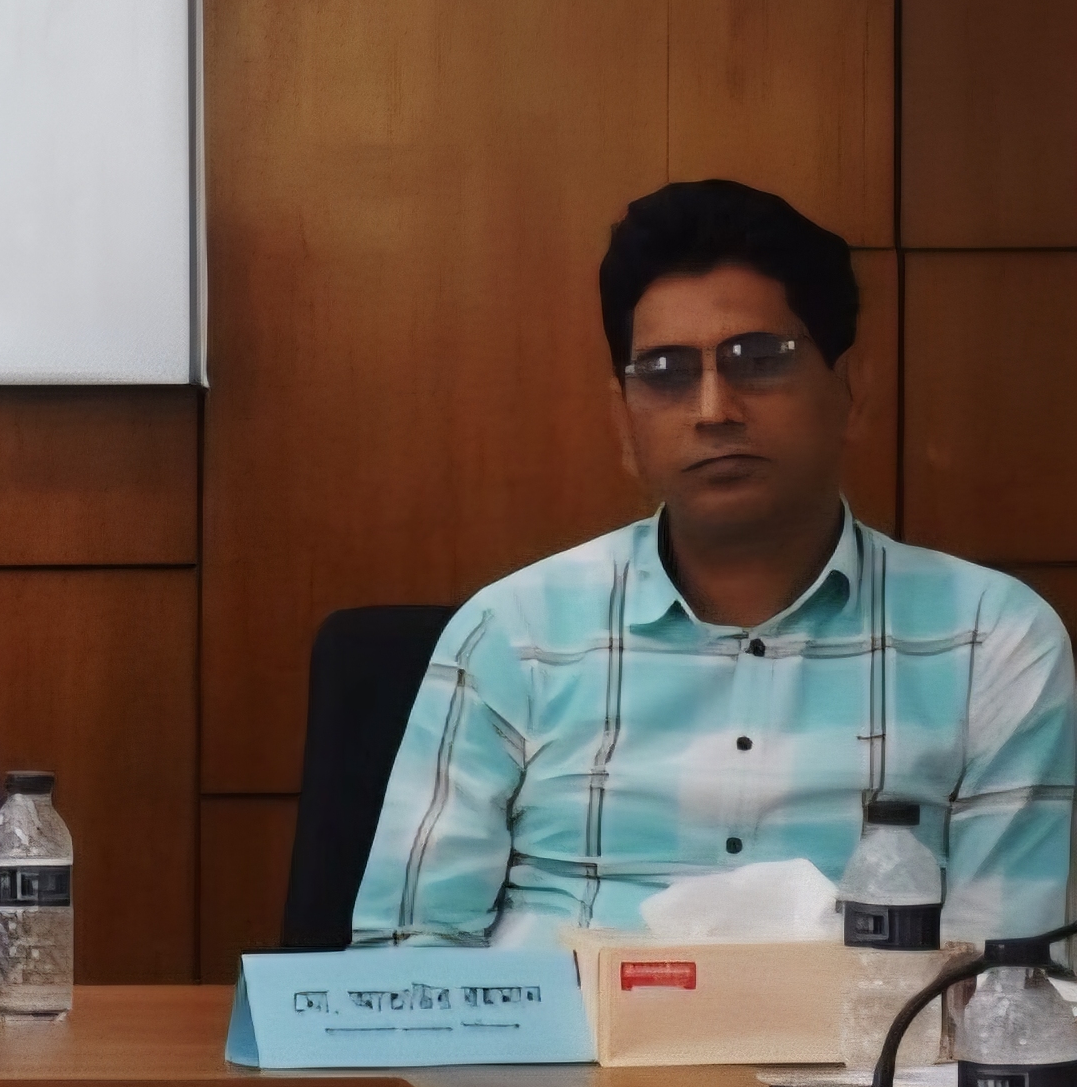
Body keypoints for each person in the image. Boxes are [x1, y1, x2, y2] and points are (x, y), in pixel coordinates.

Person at [349, 181, 1071, 947]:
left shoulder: (992, 642)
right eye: (665, 371)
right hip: (559, 1025)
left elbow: (1004, 978)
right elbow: (405, 955)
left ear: (851, 392)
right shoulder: (513, 634)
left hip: (860, 1029)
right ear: (623, 423)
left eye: (758, 359)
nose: (713, 410)